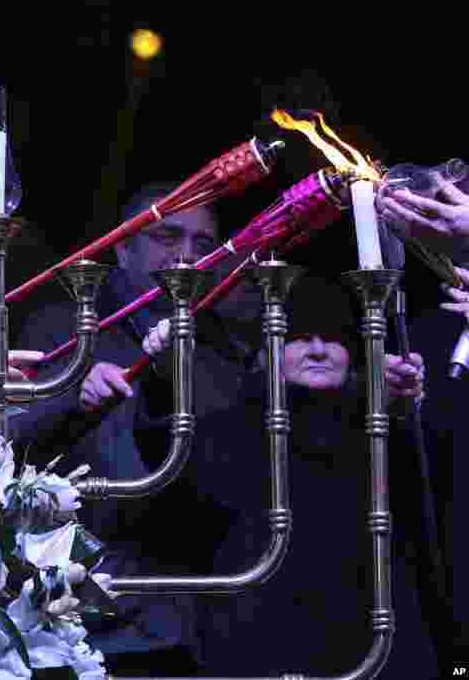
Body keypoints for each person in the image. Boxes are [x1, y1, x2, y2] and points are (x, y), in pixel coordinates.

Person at [10, 183, 264, 674]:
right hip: (80, 608)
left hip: (197, 605)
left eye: (203, 244)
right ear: (124, 247)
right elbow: (12, 442)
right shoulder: (64, 327)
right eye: (168, 237)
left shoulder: (226, 345)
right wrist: (73, 399)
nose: (186, 256)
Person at [140, 273, 437, 677]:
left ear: (353, 350)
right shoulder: (234, 427)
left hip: (369, 649)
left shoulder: (382, 429)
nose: (317, 350)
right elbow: (175, 481)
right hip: (259, 646)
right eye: (299, 337)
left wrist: (404, 408)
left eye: (332, 338)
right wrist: (165, 377)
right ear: (270, 348)